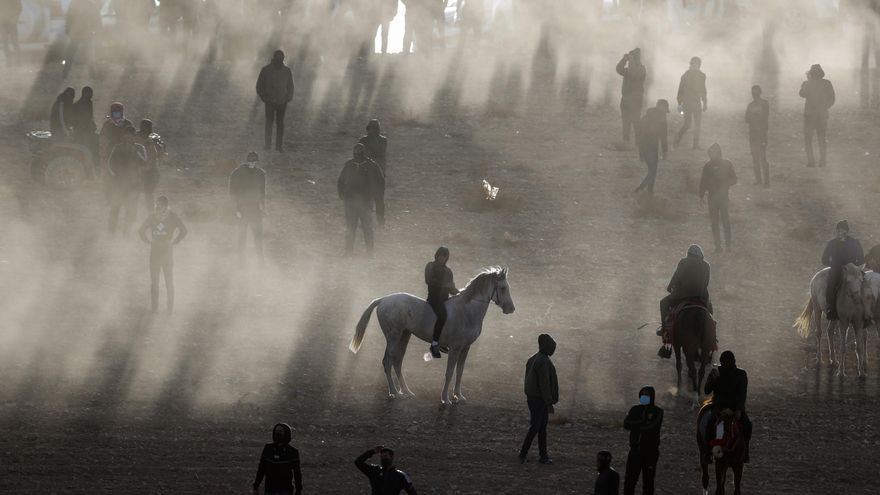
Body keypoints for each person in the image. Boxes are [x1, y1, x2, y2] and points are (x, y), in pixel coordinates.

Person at [658, 244, 711, 356]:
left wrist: (670, 287)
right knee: (710, 311)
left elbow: (677, 277)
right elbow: (706, 283)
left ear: (689, 254)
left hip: (681, 296)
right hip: (700, 297)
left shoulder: (683, 262)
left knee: (663, 304)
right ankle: (711, 336)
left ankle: (664, 330)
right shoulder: (707, 266)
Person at [138, 196, 187, 313]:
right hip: (163, 251)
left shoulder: (157, 216)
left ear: (166, 205)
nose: (159, 208)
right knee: (162, 281)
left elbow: (184, 230)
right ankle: (163, 308)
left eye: (161, 205)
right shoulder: (167, 216)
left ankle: (162, 309)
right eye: (158, 205)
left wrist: (149, 241)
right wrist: (174, 241)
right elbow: (140, 231)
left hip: (159, 252)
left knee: (162, 281)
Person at [703, 350, 751, 464]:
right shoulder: (717, 373)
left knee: (748, 425)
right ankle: (708, 452)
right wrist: (711, 379)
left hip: (735, 409)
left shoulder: (741, 374)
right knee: (709, 425)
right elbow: (707, 391)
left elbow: (742, 394)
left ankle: (746, 451)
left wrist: (739, 410)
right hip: (719, 409)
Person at [337, 143, 385, 256]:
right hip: (351, 202)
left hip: (366, 201)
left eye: (359, 153)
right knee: (351, 227)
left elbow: (380, 181)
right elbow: (341, 180)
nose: (357, 155)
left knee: (366, 227)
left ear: (363, 153)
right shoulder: (349, 164)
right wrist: (341, 193)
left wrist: (376, 195)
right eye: (356, 153)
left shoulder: (371, 165)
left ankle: (369, 252)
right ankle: (348, 252)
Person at [519, 333, 559, 465]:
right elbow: (544, 384)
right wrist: (549, 403)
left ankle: (543, 456)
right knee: (536, 427)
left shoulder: (533, 358)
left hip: (533, 398)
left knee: (541, 428)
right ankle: (524, 453)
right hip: (539, 400)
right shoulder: (544, 362)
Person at [622, 386, 663, 495]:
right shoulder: (635, 409)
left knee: (648, 483)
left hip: (650, 452)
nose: (644, 397)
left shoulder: (657, 411)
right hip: (635, 450)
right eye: (643, 394)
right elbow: (626, 424)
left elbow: (652, 428)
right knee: (629, 481)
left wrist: (636, 424)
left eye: (647, 395)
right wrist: (642, 422)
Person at [821, 220, 864, 320]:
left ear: (847, 231)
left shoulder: (855, 243)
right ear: (837, 231)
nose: (841, 232)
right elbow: (824, 259)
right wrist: (835, 265)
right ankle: (831, 308)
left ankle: (867, 310)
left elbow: (861, 258)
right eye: (839, 230)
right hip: (837, 269)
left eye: (843, 230)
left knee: (864, 283)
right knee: (831, 284)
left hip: (852, 269)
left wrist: (854, 266)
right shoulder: (832, 243)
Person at [107, 126, 146, 235]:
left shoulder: (140, 148)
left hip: (134, 185)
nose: (128, 137)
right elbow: (110, 163)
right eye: (126, 134)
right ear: (123, 136)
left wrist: (135, 151)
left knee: (131, 210)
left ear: (134, 136)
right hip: (119, 184)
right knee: (115, 208)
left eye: (130, 135)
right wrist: (115, 175)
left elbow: (145, 163)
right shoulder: (117, 148)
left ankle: (127, 233)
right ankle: (111, 232)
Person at [699, 143, 737, 253]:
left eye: (714, 153)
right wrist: (701, 195)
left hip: (723, 197)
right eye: (710, 153)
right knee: (714, 222)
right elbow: (703, 182)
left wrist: (726, 184)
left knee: (725, 221)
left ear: (719, 153)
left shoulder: (727, 164)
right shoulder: (707, 166)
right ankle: (717, 246)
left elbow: (734, 179)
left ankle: (728, 245)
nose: (712, 155)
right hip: (712, 198)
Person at [229, 151, 267, 260]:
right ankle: (241, 259)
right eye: (251, 161)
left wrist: (263, 208)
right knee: (242, 236)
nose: (253, 163)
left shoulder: (260, 174)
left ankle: (260, 259)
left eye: (255, 161)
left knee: (258, 235)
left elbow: (262, 192)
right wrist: (235, 209)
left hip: (255, 209)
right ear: (247, 161)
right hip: (242, 209)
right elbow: (232, 192)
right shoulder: (237, 173)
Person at [256, 49, 294, 152]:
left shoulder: (287, 71)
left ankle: (278, 146)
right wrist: (265, 98)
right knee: (269, 124)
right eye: (278, 59)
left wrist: (288, 98)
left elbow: (290, 86)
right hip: (270, 102)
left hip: (282, 102)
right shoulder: (266, 70)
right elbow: (259, 86)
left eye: (281, 59)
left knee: (280, 124)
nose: (279, 61)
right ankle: (268, 145)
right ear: (273, 59)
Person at [425, 247, 459, 359]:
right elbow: (429, 280)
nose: (442, 258)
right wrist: (445, 284)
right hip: (433, 299)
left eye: (444, 256)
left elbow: (451, 289)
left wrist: (459, 293)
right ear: (436, 255)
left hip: (445, 300)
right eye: (440, 255)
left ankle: (443, 341)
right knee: (442, 316)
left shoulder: (448, 271)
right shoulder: (430, 266)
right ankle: (434, 344)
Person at [252, 423, 304, 495]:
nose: (278, 433)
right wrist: (256, 486)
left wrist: (298, 490)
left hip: (286, 490)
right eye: (276, 431)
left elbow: (297, 473)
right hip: (270, 490)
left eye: (281, 431)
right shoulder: (268, 449)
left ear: (286, 433)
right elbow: (261, 469)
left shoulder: (292, 452)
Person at [799, 64, 835, 167]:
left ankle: (811, 161)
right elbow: (832, 99)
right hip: (821, 115)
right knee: (821, 138)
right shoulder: (827, 83)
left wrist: (807, 81)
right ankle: (822, 161)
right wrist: (825, 107)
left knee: (809, 139)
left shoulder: (807, 83)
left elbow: (801, 94)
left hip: (809, 115)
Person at [634, 99, 669, 195]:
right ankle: (640, 189)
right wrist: (665, 151)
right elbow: (663, 137)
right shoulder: (662, 120)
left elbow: (639, 134)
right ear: (662, 107)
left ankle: (650, 191)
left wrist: (640, 152)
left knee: (652, 170)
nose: (666, 113)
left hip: (644, 148)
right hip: (652, 149)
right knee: (653, 172)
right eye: (665, 110)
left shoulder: (646, 117)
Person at [674, 56, 707, 150]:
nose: (695, 65)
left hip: (696, 102)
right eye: (694, 63)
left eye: (697, 64)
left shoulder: (701, 76)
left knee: (697, 125)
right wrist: (679, 103)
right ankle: (678, 139)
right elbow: (680, 90)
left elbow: (703, 90)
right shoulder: (686, 76)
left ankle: (695, 145)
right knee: (688, 124)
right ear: (691, 64)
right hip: (687, 102)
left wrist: (705, 102)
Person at [63, 0, 101, 79]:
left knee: (71, 54)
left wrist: (67, 29)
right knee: (89, 55)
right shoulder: (90, 3)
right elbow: (97, 18)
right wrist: (96, 30)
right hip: (86, 33)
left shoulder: (74, 3)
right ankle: (93, 75)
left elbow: (69, 17)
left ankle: (65, 73)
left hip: (78, 33)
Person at [616, 48, 647, 145]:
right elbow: (618, 69)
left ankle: (638, 143)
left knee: (635, 122)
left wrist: (631, 61)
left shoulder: (641, 69)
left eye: (632, 58)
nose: (629, 61)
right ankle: (626, 142)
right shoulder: (628, 70)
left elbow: (633, 74)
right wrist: (624, 60)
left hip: (636, 100)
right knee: (626, 122)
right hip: (625, 99)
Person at [745, 84, 770, 186]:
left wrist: (753, 116)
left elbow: (747, 119)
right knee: (761, 157)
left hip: (756, 133)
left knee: (757, 157)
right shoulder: (765, 103)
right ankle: (765, 182)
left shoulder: (751, 105)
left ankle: (761, 181)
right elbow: (764, 117)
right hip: (761, 133)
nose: (754, 95)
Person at [99, 102, 135, 171]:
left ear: (122, 112)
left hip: (125, 152)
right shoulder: (107, 124)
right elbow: (102, 139)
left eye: (118, 111)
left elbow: (133, 138)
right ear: (111, 112)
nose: (116, 113)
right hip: (110, 151)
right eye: (114, 111)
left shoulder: (128, 123)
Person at [136, 119, 160, 209]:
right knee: (136, 193)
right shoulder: (135, 138)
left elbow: (154, 156)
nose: (147, 130)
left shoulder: (150, 140)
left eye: (148, 128)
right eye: (146, 128)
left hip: (148, 171)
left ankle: (150, 213)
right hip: (138, 171)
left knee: (148, 193)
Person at [0, 0, 21, 67]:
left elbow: (19, 8)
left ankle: (18, 61)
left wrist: (15, 19)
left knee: (14, 42)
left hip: (12, 23)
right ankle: (8, 61)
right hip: (2, 23)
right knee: (4, 42)